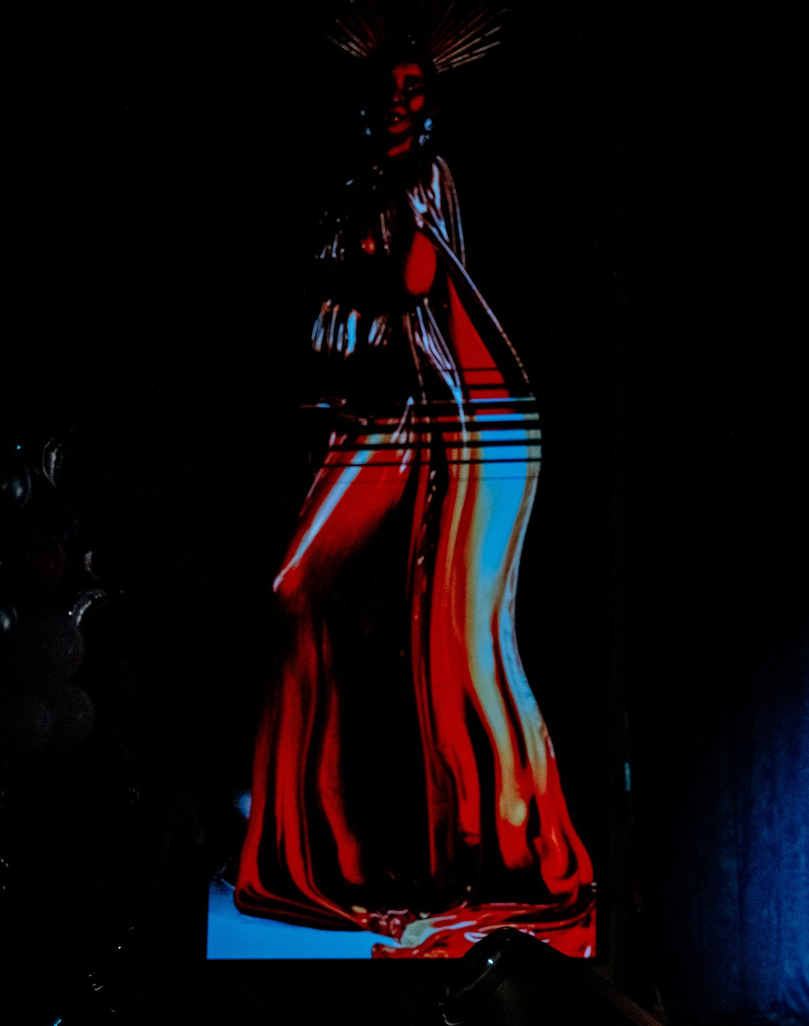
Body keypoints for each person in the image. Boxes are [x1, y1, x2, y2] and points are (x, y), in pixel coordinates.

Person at [233, 9, 594, 958]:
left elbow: (418, 276)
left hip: (416, 415)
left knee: (337, 602)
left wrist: (337, 274)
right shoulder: (355, 185)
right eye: (386, 88)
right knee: (335, 612)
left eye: (413, 90)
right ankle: (334, 853)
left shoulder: (416, 179)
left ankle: (408, 851)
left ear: (428, 104)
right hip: (355, 413)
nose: (397, 103)